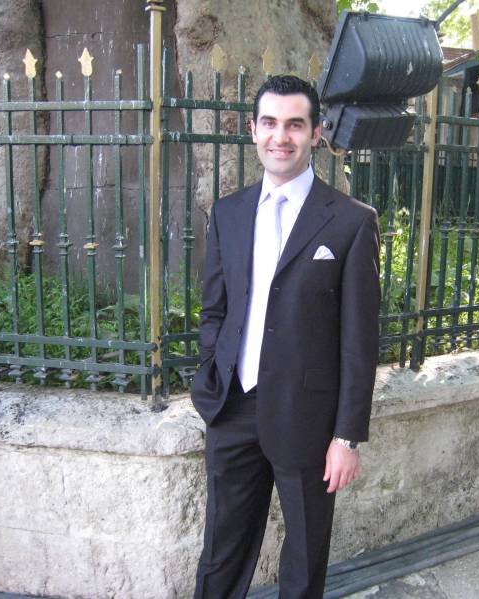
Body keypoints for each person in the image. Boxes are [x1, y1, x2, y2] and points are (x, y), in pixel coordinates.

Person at [191, 74, 381, 598]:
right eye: (270, 123)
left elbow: (360, 343)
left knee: (304, 555)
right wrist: (211, 376)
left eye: (295, 125)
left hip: (309, 418)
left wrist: (346, 437)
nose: (281, 136)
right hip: (233, 407)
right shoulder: (228, 213)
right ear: (253, 130)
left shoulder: (351, 222)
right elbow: (215, 309)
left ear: (316, 133)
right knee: (221, 548)